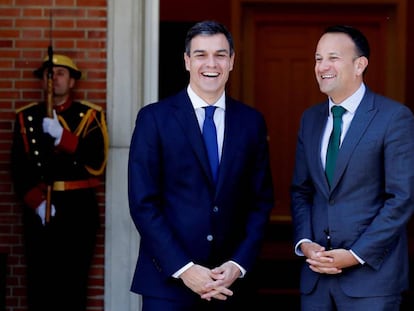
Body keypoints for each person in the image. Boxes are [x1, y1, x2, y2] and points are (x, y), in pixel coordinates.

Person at [128, 20, 274, 310]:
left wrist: (237, 264)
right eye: (201, 55)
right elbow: (143, 203)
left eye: (220, 55)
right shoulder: (154, 119)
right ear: (186, 61)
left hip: (231, 285)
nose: (211, 64)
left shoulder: (251, 122)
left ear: (232, 61)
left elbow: (260, 202)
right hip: (167, 284)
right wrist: (185, 269)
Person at [290, 24, 414, 311]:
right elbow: (301, 191)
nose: (322, 66)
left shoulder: (393, 117)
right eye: (318, 59)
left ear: (360, 65)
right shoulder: (310, 119)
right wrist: (305, 242)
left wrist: (356, 254)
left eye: (333, 58)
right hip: (316, 280)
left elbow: (402, 198)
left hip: (371, 281)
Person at [11, 53, 109, 311]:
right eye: (48, 73)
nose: (54, 78)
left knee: (74, 284)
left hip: (79, 210)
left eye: (61, 73)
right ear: (42, 81)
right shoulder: (27, 117)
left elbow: (98, 161)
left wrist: (63, 137)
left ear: (73, 81)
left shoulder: (90, 115)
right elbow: (17, 169)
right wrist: (37, 203)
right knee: (40, 283)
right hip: (41, 210)